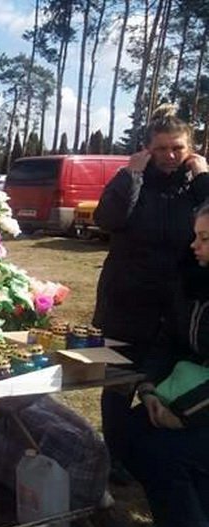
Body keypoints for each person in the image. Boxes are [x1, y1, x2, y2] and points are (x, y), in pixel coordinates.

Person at [92, 105, 209, 479]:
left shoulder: (195, 187)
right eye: (161, 148)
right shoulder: (132, 180)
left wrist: (204, 178)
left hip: (178, 307)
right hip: (127, 304)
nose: (170, 156)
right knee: (118, 384)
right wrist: (131, 175)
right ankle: (116, 459)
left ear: (191, 149)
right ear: (147, 150)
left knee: (168, 382)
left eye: (177, 148)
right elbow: (106, 219)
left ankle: (160, 457)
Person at [119, 203, 209, 527]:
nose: (194, 245)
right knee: (129, 432)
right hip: (189, 398)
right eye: (196, 236)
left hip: (198, 408)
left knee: (163, 454)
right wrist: (149, 389)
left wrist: (183, 416)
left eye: (205, 239)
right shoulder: (192, 281)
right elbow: (167, 342)